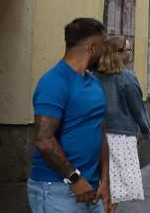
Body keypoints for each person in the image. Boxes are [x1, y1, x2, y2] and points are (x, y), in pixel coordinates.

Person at [29, 18, 110, 212]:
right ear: (92, 47)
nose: (104, 52)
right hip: (58, 189)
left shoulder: (94, 83)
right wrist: (74, 177)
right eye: (102, 46)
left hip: (91, 189)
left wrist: (105, 180)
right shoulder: (54, 82)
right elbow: (43, 139)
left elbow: (99, 129)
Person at [95, 36, 150, 212]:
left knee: (102, 184)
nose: (130, 53)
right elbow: (138, 108)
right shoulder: (127, 77)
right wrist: (147, 129)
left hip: (97, 135)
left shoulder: (93, 76)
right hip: (121, 137)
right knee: (116, 187)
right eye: (128, 50)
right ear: (118, 53)